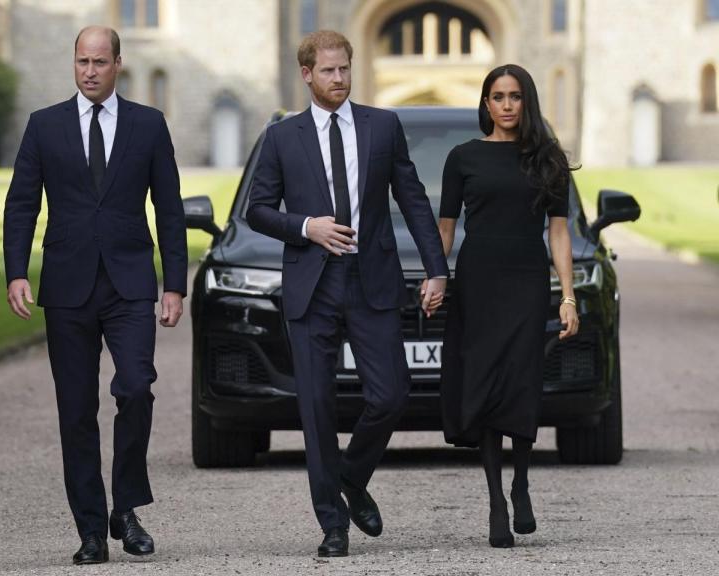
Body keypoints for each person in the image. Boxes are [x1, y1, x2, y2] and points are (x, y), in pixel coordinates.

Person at [246, 30, 449, 557]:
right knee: (315, 407)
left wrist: (436, 268)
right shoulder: (281, 137)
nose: (339, 79)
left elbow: (414, 199)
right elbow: (257, 209)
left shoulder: (382, 126)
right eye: (328, 71)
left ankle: (351, 477)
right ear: (308, 74)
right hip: (311, 284)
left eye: (345, 69)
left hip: (371, 279)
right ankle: (332, 525)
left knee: (391, 394)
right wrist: (307, 226)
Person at [2, 26, 187, 565]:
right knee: (76, 410)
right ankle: (89, 529)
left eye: (100, 62)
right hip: (67, 286)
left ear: (118, 65)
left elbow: (170, 209)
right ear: (73, 64)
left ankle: (126, 508)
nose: (89, 70)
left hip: (130, 283)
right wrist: (17, 271)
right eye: (82, 61)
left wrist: (173, 283)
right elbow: (21, 206)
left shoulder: (149, 125)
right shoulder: (44, 126)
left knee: (135, 389)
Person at [437, 64, 579, 549]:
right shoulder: (462, 158)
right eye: (497, 96)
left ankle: (521, 483)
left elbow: (558, 232)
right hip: (479, 281)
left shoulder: (548, 159)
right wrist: (437, 277)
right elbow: (446, 228)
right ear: (485, 103)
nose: (505, 105)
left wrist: (568, 296)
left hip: (526, 280)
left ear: (526, 102)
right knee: (485, 382)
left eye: (514, 96)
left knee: (520, 380)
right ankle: (496, 499)